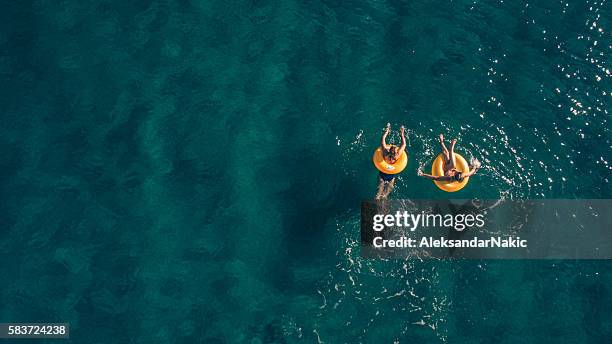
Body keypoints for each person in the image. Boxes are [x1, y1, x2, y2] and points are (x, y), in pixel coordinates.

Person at [375, 123, 406, 199]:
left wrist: (386, 131)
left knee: (379, 191)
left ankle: (376, 202)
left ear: (389, 150)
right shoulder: (397, 156)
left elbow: (383, 140)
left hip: (382, 174)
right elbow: (404, 144)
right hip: (391, 175)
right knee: (387, 192)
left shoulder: (385, 153)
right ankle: (383, 204)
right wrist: (402, 134)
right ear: (395, 151)